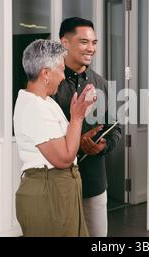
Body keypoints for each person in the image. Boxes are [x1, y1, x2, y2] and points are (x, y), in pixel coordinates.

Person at [13, 39, 96, 237]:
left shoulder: (45, 102)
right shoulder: (34, 107)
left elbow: (65, 143)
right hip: (49, 192)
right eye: (60, 68)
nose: (63, 75)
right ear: (46, 74)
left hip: (58, 191)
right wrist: (77, 117)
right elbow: (64, 158)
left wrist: (79, 121)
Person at [54, 17, 121, 237]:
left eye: (94, 42)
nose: (91, 48)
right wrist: (76, 144)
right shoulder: (50, 80)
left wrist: (101, 146)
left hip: (93, 182)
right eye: (84, 42)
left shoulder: (101, 83)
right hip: (57, 183)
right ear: (65, 42)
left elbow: (115, 129)